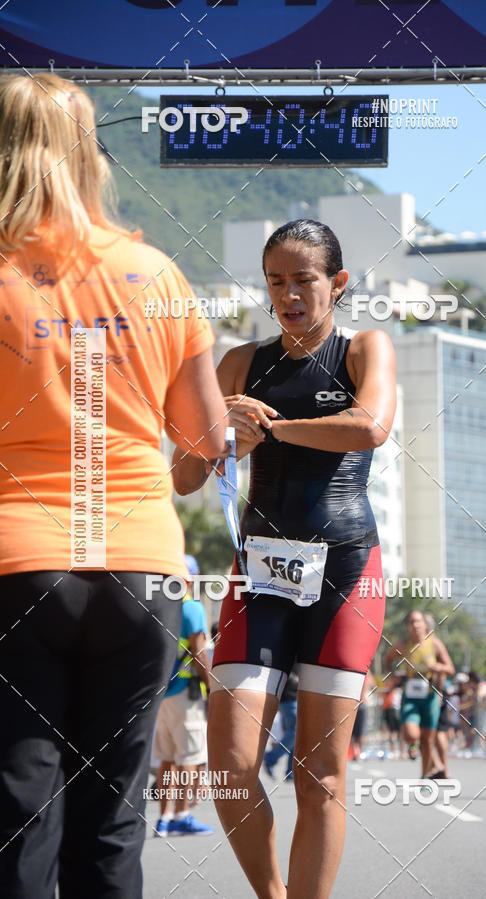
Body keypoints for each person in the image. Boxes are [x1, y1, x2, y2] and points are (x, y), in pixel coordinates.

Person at [0, 74, 227, 899]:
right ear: (89, 153)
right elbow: (203, 442)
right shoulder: (154, 273)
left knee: (21, 813)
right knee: (112, 823)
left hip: (16, 566)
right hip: (140, 567)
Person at [173, 219, 396, 899]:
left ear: (337, 282)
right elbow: (183, 475)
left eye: (304, 279)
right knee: (231, 763)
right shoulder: (240, 363)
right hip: (258, 572)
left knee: (320, 772)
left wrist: (268, 428)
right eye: (276, 281)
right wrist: (220, 432)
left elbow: (371, 425)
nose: (290, 293)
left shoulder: (364, 347)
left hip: (345, 570)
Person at [154, 556, 214, 836]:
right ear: (190, 579)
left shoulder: (157, 606)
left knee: (167, 759)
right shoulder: (191, 609)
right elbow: (199, 654)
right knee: (189, 756)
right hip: (185, 695)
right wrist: (213, 688)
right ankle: (182, 814)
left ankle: (163, 818)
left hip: (160, 694)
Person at [386, 610, 455, 778]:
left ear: (425, 624)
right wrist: (393, 675)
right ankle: (413, 745)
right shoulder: (403, 645)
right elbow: (388, 659)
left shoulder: (435, 644)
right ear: (408, 626)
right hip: (410, 696)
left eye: (418, 621)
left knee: (428, 740)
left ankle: (424, 776)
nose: (415, 625)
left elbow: (450, 669)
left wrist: (437, 667)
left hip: (430, 696)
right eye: (411, 622)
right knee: (411, 733)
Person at [263, 662, 299, 781]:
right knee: (295, 732)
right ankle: (270, 758)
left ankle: (290, 772)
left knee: (294, 734)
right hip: (289, 696)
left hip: (290, 696)